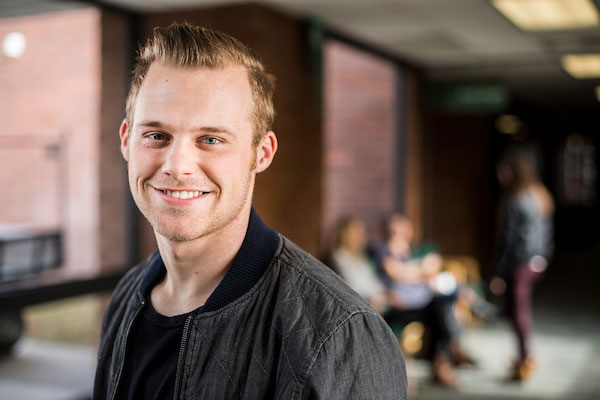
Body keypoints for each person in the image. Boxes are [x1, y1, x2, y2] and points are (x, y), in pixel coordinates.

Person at [93, 23, 406, 399]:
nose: (177, 166)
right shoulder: (128, 298)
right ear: (127, 140)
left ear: (262, 152)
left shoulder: (339, 334)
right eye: (157, 136)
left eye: (211, 139)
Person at [370, 214, 475, 388]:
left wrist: (420, 273)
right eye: (395, 229)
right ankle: (446, 357)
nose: (399, 233)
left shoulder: (410, 252)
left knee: (440, 304)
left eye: (402, 229)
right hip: (396, 306)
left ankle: (443, 359)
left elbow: (423, 271)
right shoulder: (381, 249)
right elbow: (396, 272)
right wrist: (421, 271)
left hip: (417, 302)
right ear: (387, 231)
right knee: (439, 308)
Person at [490, 147, 554, 381]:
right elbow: (547, 233)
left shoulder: (514, 200)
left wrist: (498, 273)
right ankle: (523, 357)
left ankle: (526, 358)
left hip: (519, 262)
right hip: (537, 260)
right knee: (515, 309)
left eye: (503, 169)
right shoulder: (540, 195)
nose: (499, 174)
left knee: (518, 310)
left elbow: (507, 240)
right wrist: (544, 257)